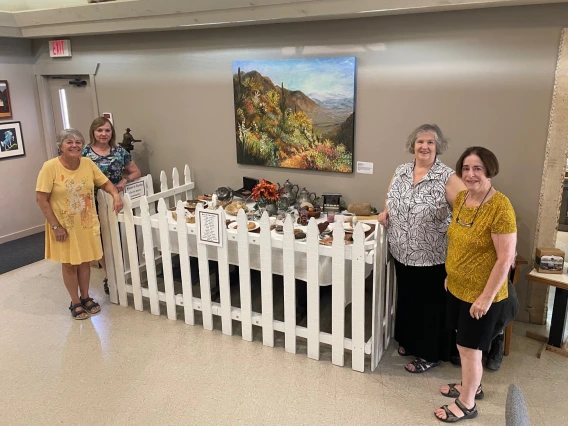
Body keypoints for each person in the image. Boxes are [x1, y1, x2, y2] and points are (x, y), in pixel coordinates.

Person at [435, 147, 517, 423]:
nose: (470, 174)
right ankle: (473, 385)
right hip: (457, 287)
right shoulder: (461, 199)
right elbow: (459, 241)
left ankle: (467, 403)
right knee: (464, 345)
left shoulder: (500, 207)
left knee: (470, 350)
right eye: (466, 168)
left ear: (489, 171)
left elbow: (505, 259)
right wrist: (452, 273)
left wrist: (485, 298)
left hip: (482, 295)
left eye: (477, 169)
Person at [378, 124, 466, 373]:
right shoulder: (401, 170)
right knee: (407, 300)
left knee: (429, 307)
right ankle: (408, 341)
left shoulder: (447, 177)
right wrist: (386, 211)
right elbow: (390, 195)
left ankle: (430, 353)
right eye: (420, 142)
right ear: (413, 145)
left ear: (438, 147)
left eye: (430, 142)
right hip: (402, 251)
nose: (424, 146)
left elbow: (466, 209)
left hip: (431, 256)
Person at [36, 129, 123, 320]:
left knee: (84, 262)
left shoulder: (87, 163)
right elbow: (41, 198)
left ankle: (86, 297)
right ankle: (75, 301)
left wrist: (115, 195)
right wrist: (55, 226)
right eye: (69, 142)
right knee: (69, 265)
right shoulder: (50, 167)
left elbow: (105, 183)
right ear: (61, 146)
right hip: (63, 226)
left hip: (85, 223)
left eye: (78, 142)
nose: (74, 145)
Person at [83, 117, 141, 294]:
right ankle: (110, 276)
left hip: (115, 201)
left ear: (112, 133)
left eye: (107, 130)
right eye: (99, 130)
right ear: (93, 132)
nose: (103, 134)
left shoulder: (119, 151)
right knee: (99, 240)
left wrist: (124, 180)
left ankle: (124, 272)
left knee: (118, 237)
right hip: (92, 202)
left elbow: (136, 171)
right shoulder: (84, 153)